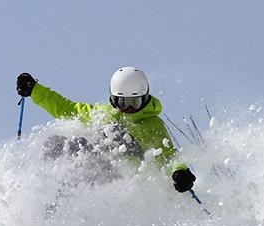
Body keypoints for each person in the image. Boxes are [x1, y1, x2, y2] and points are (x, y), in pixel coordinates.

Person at [16, 67, 196, 193]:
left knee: (101, 149)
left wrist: (180, 172)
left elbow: (170, 156)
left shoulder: (152, 124)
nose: (129, 109)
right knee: (58, 144)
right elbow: (66, 109)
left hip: (122, 178)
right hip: (93, 168)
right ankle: (37, 196)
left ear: (145, 98)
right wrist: (35, 90)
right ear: (113, 99)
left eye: (135, 103)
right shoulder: (104, 114)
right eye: (123, 103)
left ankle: (62, 204)